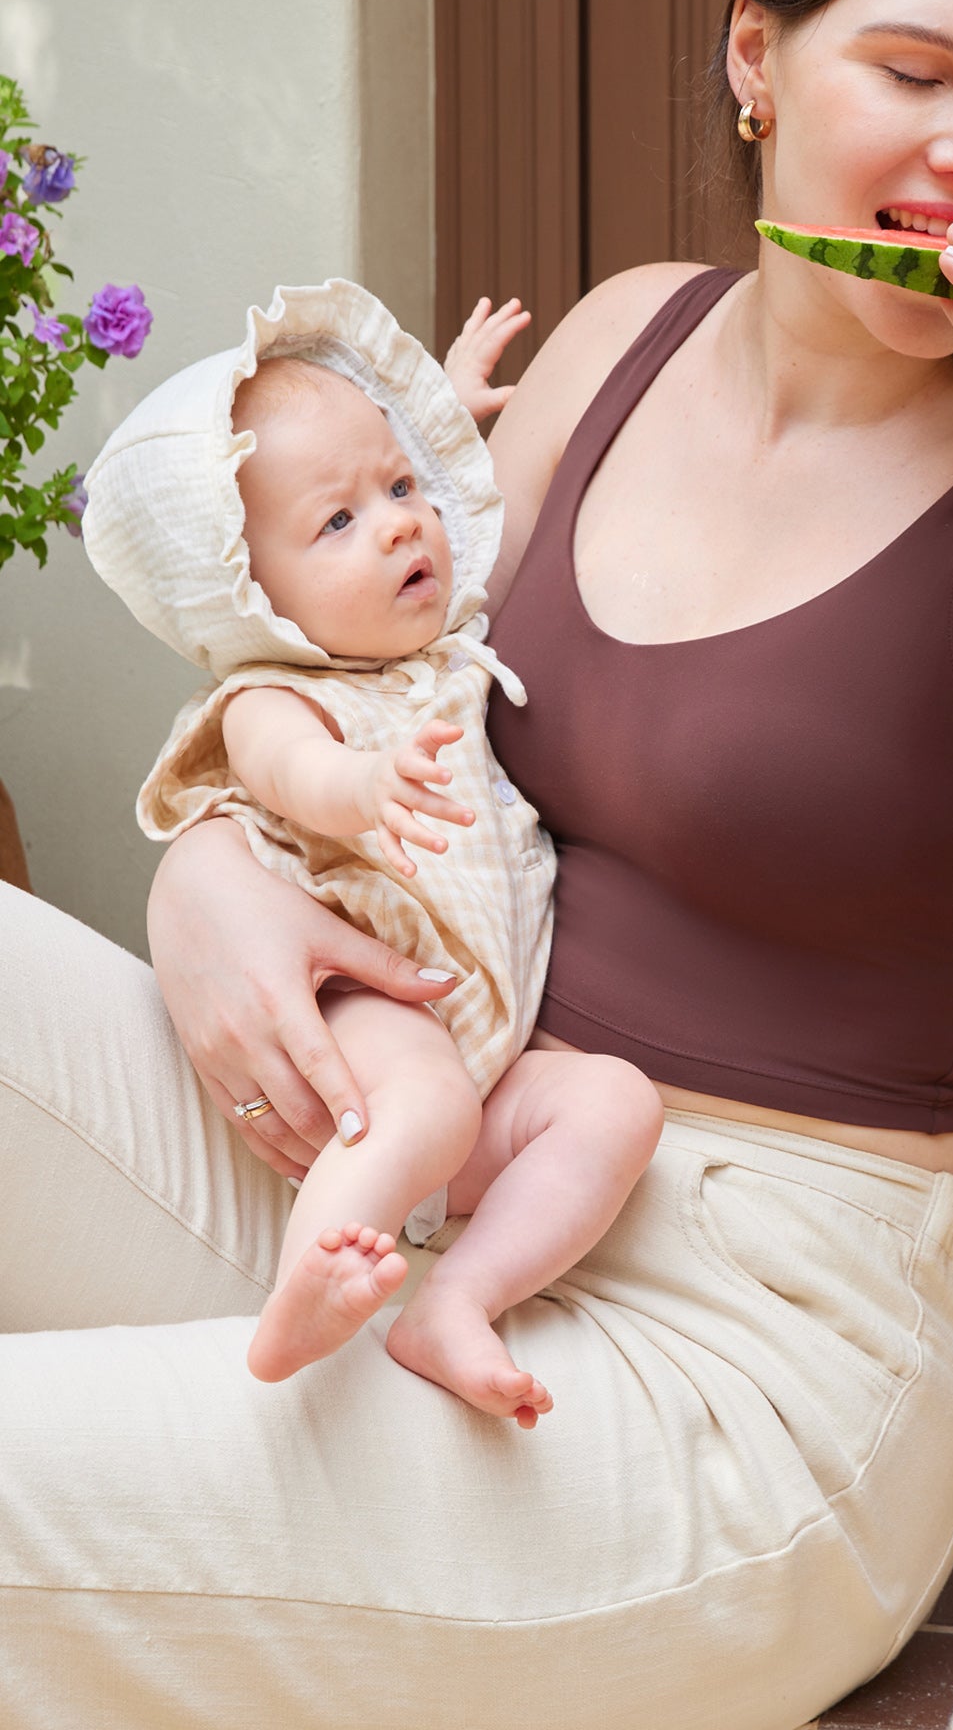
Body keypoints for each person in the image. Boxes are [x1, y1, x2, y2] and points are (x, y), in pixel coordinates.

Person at [0, 0, 953, 1730]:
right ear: (756, 54)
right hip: (431, 1150)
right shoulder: (614, 345)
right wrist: (207, 880)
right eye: (914, 67)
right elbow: (384, 715)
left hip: (750, 1367)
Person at [80, 284, 664, 1412]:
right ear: (250, 593)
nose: (400, 522)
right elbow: (291, 774)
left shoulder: (450, 653)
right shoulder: (270, 691)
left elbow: (409, 498)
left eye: (404, 488)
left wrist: (435, 415)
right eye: (338, 521)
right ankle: (310, 1277)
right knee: (431, 1105)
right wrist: (364, 781)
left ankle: (457, 1303)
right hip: (368, 1022)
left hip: (476, 1048)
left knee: (614, 1105)